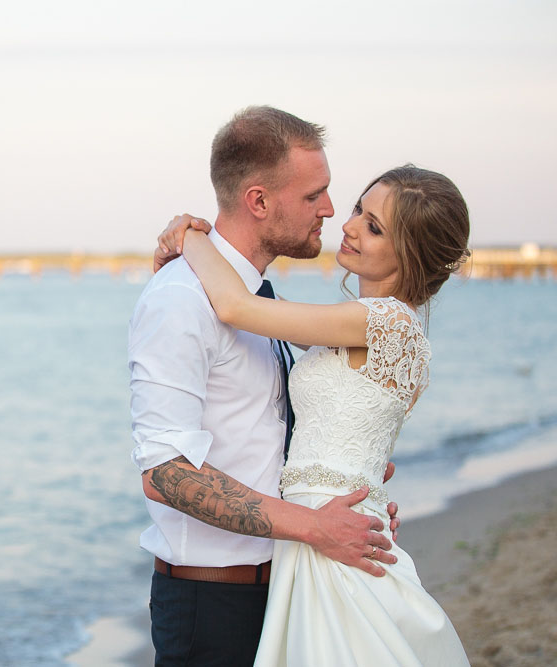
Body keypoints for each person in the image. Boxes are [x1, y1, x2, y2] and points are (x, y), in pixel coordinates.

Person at [155, 164, 471, 665]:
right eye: (357, 210)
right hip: (323, 526)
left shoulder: (382, 321)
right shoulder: (366, 328)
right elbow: (269, 307)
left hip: (326, 532)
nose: (348, 225)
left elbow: (238, 308)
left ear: (408, 252)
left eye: (373, 227)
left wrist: (190, 236)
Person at [128, 106, 401, 667]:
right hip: (214, 605)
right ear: (258, 201)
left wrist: (351, 486)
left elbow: (275, 436)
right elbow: (165, 472)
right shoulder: (180, 299)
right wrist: (316, 526)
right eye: (313, 196)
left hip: (293, 587)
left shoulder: (261, 303)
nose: (330, 210)